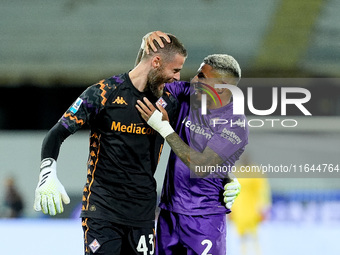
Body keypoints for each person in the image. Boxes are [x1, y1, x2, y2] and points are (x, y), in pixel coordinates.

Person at [33, 33, 187, 255]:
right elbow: (57, 133)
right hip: (102, 211)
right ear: (155, 62)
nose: (178, 77)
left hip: (142, 215)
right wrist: (47, 172)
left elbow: (202, 130)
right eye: (175, 70)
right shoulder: (104, 93)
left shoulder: (169, 102)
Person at [136, 34, 248, 255]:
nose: (194, 79)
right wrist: (145, 50)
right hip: (169, 212)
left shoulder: (235, 124)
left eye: (202, 76)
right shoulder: (188, 93)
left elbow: (202, 165)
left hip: (204, 219)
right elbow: (145, 86)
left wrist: (166, 130)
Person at [229, 153, 271, 255]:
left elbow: (263, 191)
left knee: (254, 238)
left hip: (253, 211)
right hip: (239, 211)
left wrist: (264, 209)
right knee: (240, 239)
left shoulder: (256, 172)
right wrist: (229, 210)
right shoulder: (236, 172)